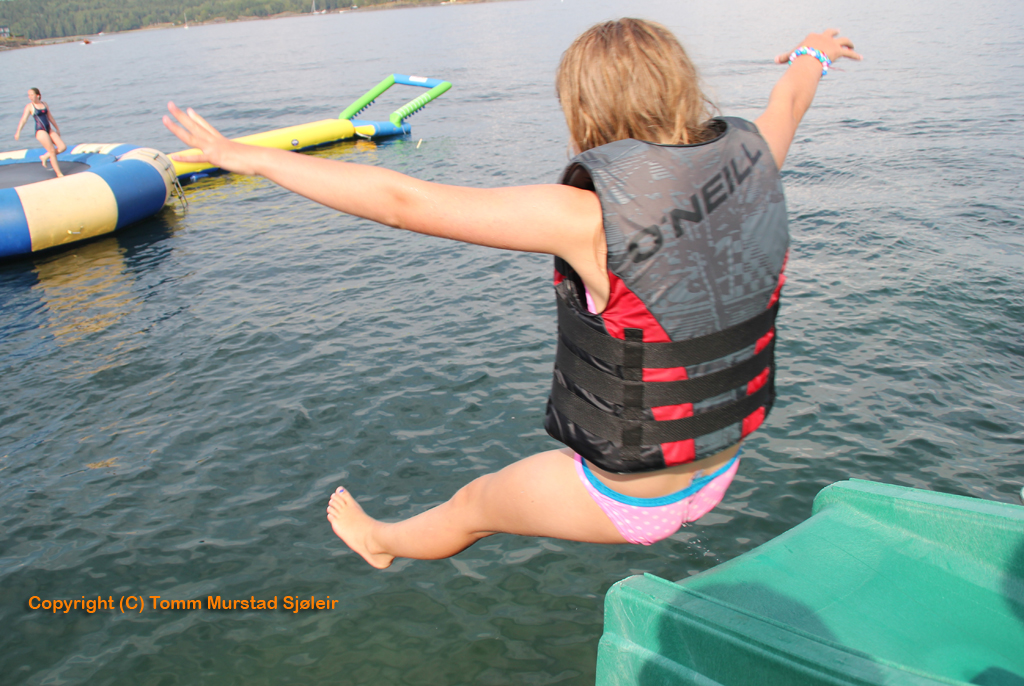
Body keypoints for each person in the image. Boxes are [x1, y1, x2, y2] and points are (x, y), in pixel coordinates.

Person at [162, 20, 861, 569]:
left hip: (630, 497)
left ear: (583, 109)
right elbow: (790, 99)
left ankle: (379, 542)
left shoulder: (587, 217)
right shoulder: (756, 159)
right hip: (722, 463)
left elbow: (402, 202)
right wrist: (814, 52)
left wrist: (253, 158)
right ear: (681, 86)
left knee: (471, 507)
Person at [14, 87, 67, 177]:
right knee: (52, 151)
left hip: (49, 129)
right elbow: (23, 120)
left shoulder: (44, 104)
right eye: (29, 95)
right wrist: (18, 131)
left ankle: (45, 156)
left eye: (32, 95)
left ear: (38, 95)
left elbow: (50, 117)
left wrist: (57, 128)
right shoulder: (30, 106)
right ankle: (59, 173)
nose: (30, 97)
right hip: (40, 131)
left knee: (62, 147)